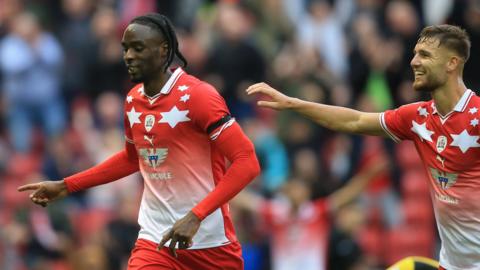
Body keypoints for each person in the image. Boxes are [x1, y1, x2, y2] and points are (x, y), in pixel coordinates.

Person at [18, 13, 260, 270]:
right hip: (155, 242)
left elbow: (247, 162)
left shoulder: (199, 96)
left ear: (163, 50)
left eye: (138, 48)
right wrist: (67, 186)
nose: (128, 56)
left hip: (211, 245)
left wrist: (196, 216)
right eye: (125, 49)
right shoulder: (133, 100)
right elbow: (133, 158)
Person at [247, 24, 477, 270]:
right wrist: (294, 104)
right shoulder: (418, 117)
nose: (413, 62)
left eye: (425, 55)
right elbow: (354, 120)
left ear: (452, 63)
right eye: (415, 53)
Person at [232, 159, 387, 270]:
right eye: (293, 189)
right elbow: (246, 201)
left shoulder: (317, 212)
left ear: (307, 193)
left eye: (299, 189)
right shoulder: (276, 212)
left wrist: (368, 176)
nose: (296, 193)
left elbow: (346, 195)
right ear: (286, 192)